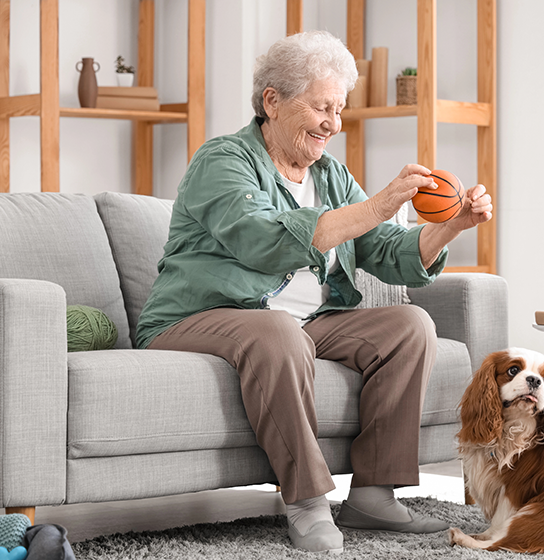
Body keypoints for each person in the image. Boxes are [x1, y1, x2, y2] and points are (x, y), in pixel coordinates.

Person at [135, 30, 492, 554]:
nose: (334, 123)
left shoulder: (329, 174)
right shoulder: (224, 161)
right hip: (200, 317)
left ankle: (373, 494)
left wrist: (451, 226)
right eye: (321, 106)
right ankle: (306, 501)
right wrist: (379, 203)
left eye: (340, 108)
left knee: (409, 325)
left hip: (305, 324)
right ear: (272, 101)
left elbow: (388, 253)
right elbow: (261, 242)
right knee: (278, 331)